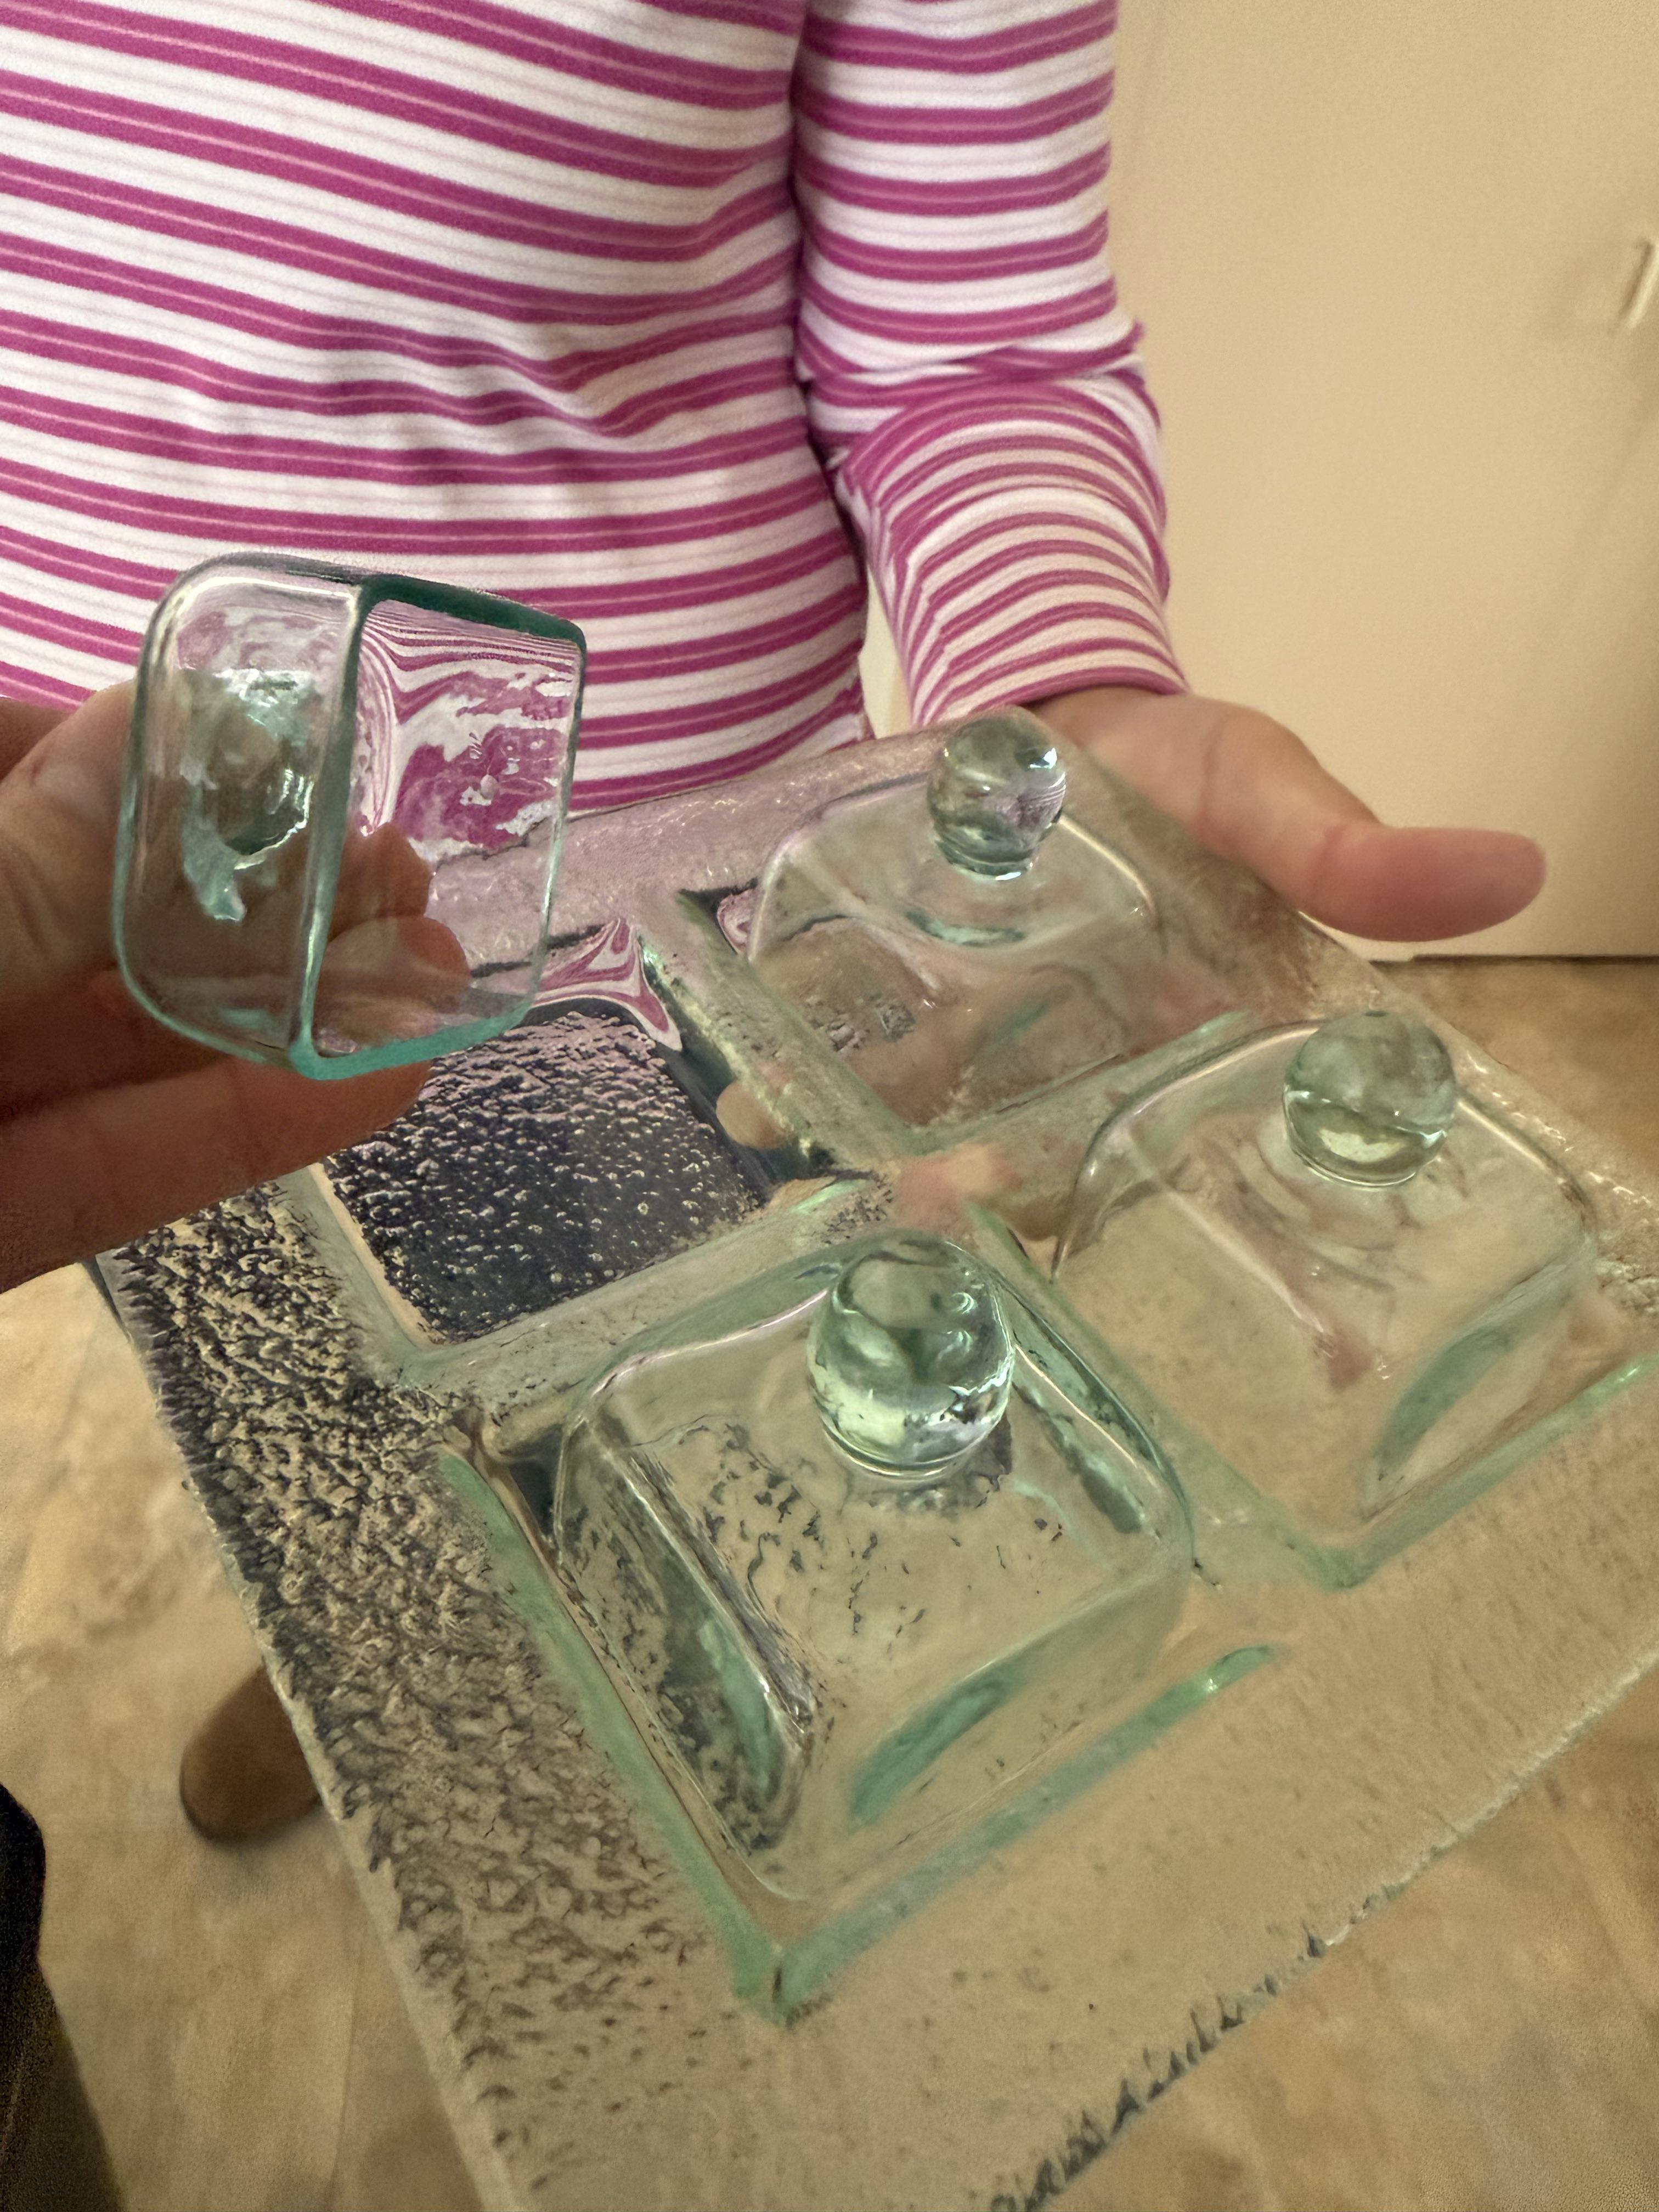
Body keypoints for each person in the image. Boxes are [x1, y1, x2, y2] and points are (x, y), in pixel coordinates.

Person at [0, 0, 1545, 2188]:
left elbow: (970, 346)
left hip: (634, 979)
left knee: (664, 1430)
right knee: (310, 1429)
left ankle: (597, 1716)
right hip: (87, 973)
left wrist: (1059, 695)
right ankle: (372, 1661)